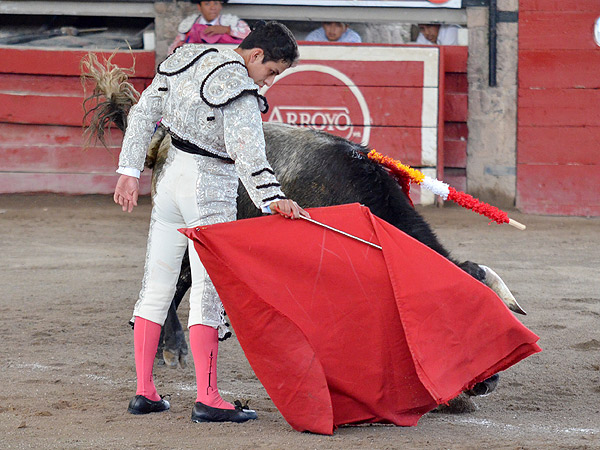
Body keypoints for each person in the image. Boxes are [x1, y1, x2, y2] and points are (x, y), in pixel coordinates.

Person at [114, 21, 309, 423]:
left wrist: (129, 170)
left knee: (156, 285)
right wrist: (275, 201)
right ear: (256, 55)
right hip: (210, 190)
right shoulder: (239, 88)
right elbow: (250, 157)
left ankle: (145, 393)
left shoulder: (189, 56)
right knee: (207, 293)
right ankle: (208, 398)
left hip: (168, 182)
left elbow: (143, 111)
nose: (269, 82)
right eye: (271, 71)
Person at [168, 0, 251, 53]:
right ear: (199, 7)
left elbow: (249, 35)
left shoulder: (231, 21)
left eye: (216, 3)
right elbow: (174, 48)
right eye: (207, 4)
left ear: (220, 5)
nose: (212, 8)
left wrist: (227, 30)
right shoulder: (189, 23)